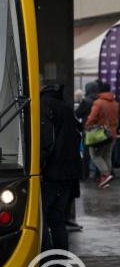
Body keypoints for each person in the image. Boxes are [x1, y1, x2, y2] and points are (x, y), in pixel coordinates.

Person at [40, 85, 82, 251]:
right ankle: (62, 260)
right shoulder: (66, 107)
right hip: (69, 172)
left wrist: (39, 166)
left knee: (42, 218)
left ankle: (46, 260)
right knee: (57, 219)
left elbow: (46, 140)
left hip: (51, 172)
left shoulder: (43, 105)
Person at [84, 81, 118, 188]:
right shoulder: (115, 103)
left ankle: (105, 175)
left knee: (95, 155)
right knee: (107, 156)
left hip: (100, 134)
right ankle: (106, 180)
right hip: (112, 134)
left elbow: (92, 118)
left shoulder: (98, 103)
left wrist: (87, 126)